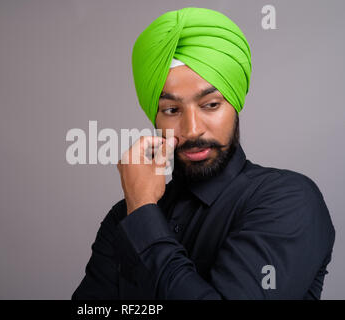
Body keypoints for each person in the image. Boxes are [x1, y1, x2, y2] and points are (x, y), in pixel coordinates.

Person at [71, 7, 335, 299]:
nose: (192, 129)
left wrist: (144, 212)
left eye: (210, 104)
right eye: (171, 110)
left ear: (235, 104)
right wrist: (141, 209)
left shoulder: (289, 199)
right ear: (155, 118)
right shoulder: (125, 215)